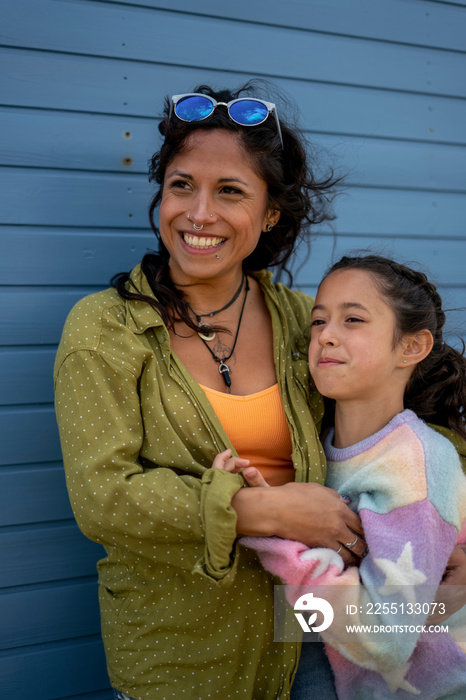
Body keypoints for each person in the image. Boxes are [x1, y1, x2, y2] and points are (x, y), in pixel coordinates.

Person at [53, 82, 465, 700]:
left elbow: (409, 414)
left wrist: (451, 530)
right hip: (182, 650)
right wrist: (261, 510)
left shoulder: (308, 321)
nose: (198, 214)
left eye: (231, 192)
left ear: (271, 212)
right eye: (182, 185)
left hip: (315, 646)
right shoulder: (106, 328)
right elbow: (102, 498)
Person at [220, 255, 466, 699]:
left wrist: (273, 533)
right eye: (318, 321)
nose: (326, 336)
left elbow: (384, 641)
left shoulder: (417, 463)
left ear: (412, 347)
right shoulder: (314, 444)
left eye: (353, 319)